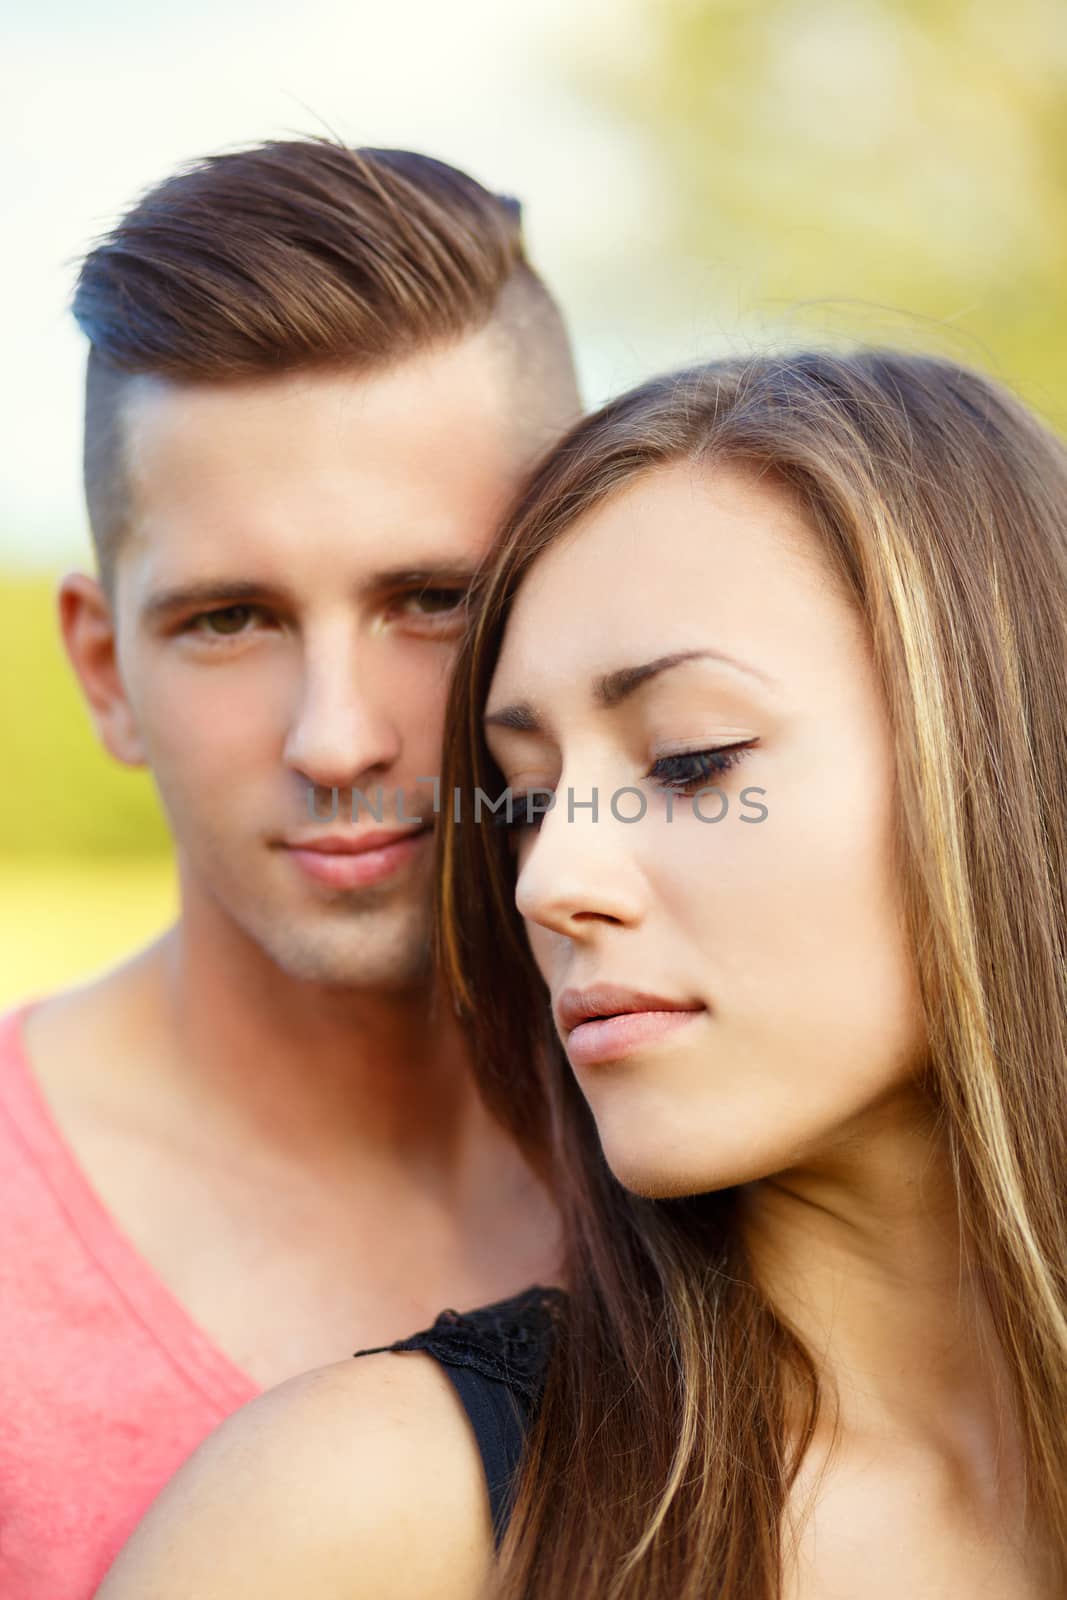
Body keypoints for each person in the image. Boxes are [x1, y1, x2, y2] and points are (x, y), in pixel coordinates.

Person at [94, 348, 1067, 1599]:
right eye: (525, 797)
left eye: (689, 761)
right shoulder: (358, 1518)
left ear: (1002, 759)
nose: (548, 879)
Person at [0, 138, 579, 1599]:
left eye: (431, 599)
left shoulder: (803, 1170)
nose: (336, 738)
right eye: (230, 620)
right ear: (102, 667)